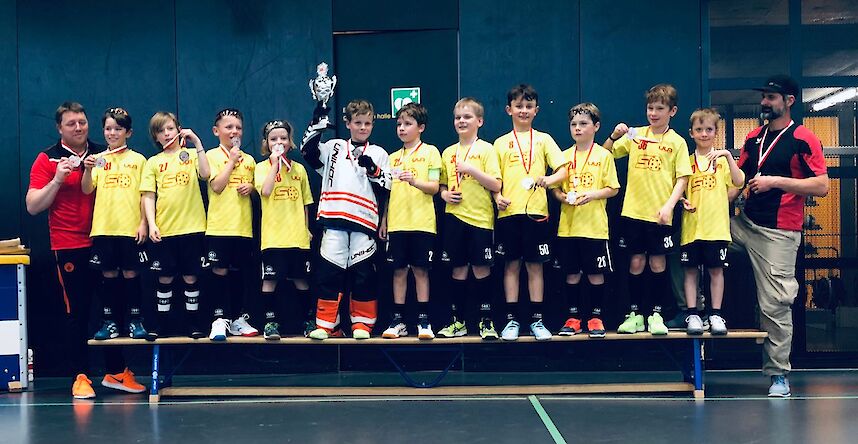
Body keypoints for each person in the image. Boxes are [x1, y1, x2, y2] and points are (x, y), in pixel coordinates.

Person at [26, 102, 140, 399]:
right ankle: (80, 376)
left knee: (114, 309)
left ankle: (117, 372)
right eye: (71, 123)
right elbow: (33, 206)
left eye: (82, 122)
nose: (78, 128)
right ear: (59, 128)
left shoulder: (104, 153)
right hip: (69, 245)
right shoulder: (48, 158)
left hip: (107, 241)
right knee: (77, 312)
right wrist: (57, 179)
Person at [729, 75, 828, 397]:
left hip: (779, 234)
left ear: (789, 101)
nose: (764, 102)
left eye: (771, 97)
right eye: (764, 97)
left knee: (775, 305)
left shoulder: (803, 138)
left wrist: (775, 181)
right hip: (744, 224)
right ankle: (691, 310)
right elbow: (739, 182)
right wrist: (706, 208)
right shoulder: (753, 138)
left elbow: (822, 186)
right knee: (688, 241)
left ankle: (778, 376)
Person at [603, 84, 692, 335]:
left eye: (659, 108)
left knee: (657, 263)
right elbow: (604, 155)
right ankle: (635, 315)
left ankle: (656, 314)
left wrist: (669, 206)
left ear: (672, 111)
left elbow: (683, 179)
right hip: (633, 212)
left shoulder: (677, 142)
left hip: (660, 214)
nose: (653, 113)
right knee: (636, 262)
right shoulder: (635, 135)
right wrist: (613, 136)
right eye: (650, 108)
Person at [300, 99, 391, 340]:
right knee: (329, 274)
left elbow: (388, 185)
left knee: (364, 275)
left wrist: (373, 170)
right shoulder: (334, 147)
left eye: (367, 123)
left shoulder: (379, 152)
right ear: (347, 123)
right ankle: (328, 325)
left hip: (364, 222)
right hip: (333, 219)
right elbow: (308, 151)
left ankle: (363, 324)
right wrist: (317, 120)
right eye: (358, 123)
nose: (363, 127)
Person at [493, 84, 568, 341]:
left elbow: (563, 170)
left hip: (537, 213)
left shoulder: (544, 139)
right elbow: (494, 180)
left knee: (535, 267)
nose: (523, 110)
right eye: (518, 106)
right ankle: (511, 320)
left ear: (536, 110)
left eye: (528, 106)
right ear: (509, 109)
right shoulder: (500, 143)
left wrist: (549, 180)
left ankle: (537, 320)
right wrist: (497, 197)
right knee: (511, 266)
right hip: (509, 214)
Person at [140, 112, 211, 340]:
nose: (167, 134)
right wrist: (152, 224)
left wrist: (197, 142)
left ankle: (194, 324)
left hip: (193, 228)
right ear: (156, 136)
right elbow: (148, 195)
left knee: (191, 277)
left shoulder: (191, 155)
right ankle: (161, 325)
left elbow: (206, 174)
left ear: (179, 130)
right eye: (161, 131)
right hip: (165, 230)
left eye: (170, 128)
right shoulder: (153, 162)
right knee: (164, 278)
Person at [551, 103, 620, 338]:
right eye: (573, 124)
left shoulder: (604, 155)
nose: (577, 128)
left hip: (594, 228)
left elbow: (613, 188)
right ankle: (573, 318)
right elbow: (555, 188)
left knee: (595, 273)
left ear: (596, 126)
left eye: (583, 123)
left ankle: (595, 318)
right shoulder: (562, 156)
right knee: (571, 273)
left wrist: (592, 195)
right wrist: (562, 197)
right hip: (568, 228)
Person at [82, 108, 149, 347]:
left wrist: (143, 223)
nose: (112, 133)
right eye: (108, 128)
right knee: (108, 275)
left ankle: (135, 321)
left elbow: (146, 194)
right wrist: (87, 169)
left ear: (128, 133)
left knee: (131, 274)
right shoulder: (98, 159)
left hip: (130, 229)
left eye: (118, 129)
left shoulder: (139, 160)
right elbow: (87, 189)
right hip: (104, 228)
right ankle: (108, 322)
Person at [438, 98, 502, 340]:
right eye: (458, 117)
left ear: (480, 121)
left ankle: (486, 321)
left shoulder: (487, 150)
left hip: (480, 219)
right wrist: (444, 194)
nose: (461, 121)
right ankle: (458, 322)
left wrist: (471, 170)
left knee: (481, 268)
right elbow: (440, 184)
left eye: (467, 117)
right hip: (454, 217)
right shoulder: (447, 152)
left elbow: (496, 184)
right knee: (458, 269)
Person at [679, 108, 744, 336]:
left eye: (709, 129)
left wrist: (728, 156)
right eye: (699, 129)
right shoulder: (686, 162)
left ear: (716, 132)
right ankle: (693, 314)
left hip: (716, 229)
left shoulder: (722, 161)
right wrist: (682, 201)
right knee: (690, 272)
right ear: (691, 133)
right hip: (692, 229)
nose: (704, 134)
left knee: (716, 271)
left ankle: (716, 314)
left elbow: (739, 181)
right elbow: (678, 190)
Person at [379, 103, 442, 340]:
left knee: (421, 271)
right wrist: (384, 220)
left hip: (422, 223)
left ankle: (423, 321)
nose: (402, 128)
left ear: (421, 127)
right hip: (397, 224)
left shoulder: (431, 152)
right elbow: (388, 192)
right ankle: (398, 321)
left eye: (408, 124)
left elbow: (434, 187)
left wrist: (414, 181)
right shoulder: (392, 158)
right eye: (399, 124)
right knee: (398, 272)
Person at [255, 119, 314, 340]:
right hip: (273, 237)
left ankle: (308, 321)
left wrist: (306, 229)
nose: (279, 142)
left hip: (297, 237)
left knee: (301, 280)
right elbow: (266, 191)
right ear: (266, 143)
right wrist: (274, 164)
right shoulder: (261, 168)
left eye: (283, 138)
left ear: (290, 142)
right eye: (273, 139)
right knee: (270, 280)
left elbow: (306, 202)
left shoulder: (299, 169)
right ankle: (270, 323)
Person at [205, 109, 258, 340]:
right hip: (219, 227)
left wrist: (251, 188)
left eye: (238, 127)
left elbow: (258, 191)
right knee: (220, 271)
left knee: (240, 273)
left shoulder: (250, 160)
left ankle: (237, 319)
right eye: (229, 127)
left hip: (243, 227)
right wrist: (232, 160)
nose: (234, 131)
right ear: (216, 131)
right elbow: (216, 186)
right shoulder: (211, 156)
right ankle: (219, 319)